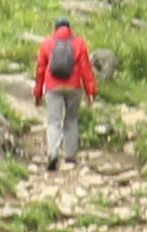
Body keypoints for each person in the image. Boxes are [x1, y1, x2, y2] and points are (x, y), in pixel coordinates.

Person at [32, 12, 98, 168]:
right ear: (69, 28)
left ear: (55, 28)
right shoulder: (79, 43)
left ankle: (53, 153)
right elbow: (86, 70)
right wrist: (90, 92)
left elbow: (40, 69)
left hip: (53, 87)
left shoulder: (46, 43)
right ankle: (70, 156)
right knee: (71, 120)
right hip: (74, 87)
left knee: (54, 121)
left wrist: (37, 93)